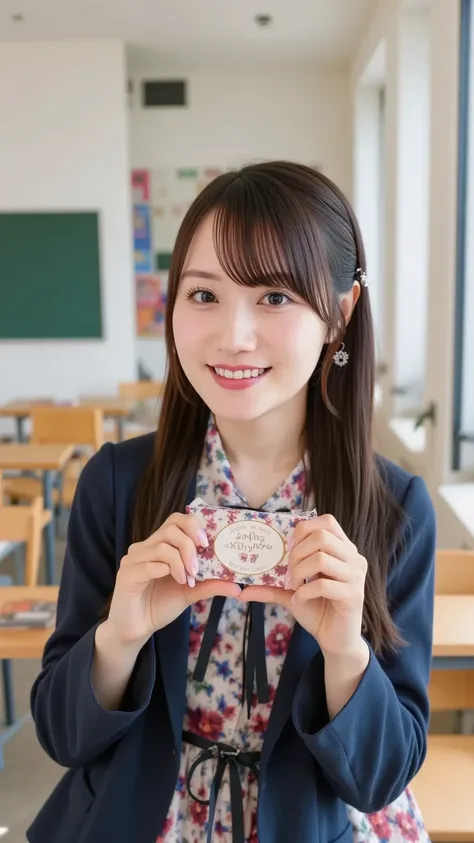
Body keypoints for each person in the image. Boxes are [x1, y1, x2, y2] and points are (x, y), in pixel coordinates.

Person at [27, 161, 435, 843]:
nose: (233, 335)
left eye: (274, 296)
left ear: (339, 313)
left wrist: (346, 655)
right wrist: (117, 640)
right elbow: (63, 736)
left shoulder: (393, 509)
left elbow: (380, 776)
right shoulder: (120, 484)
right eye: (204, 295)